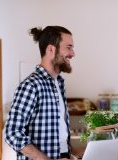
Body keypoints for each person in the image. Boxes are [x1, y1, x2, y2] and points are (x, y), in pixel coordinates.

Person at [5, 26, 75, 160]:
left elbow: (58, 134)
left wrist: (74, 152)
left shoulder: (58, 84)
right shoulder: (31, 85)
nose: (73, 53)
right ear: (50, 49)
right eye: (69, 47)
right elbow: (12, 134)